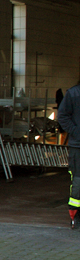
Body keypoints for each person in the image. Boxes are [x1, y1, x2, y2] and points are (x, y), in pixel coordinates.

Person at [57, 80, 80, 230]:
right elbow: (63, 116)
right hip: (78, 147)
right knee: (78, 183)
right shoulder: (74, 93)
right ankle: (75, 216)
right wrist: (77, 132)